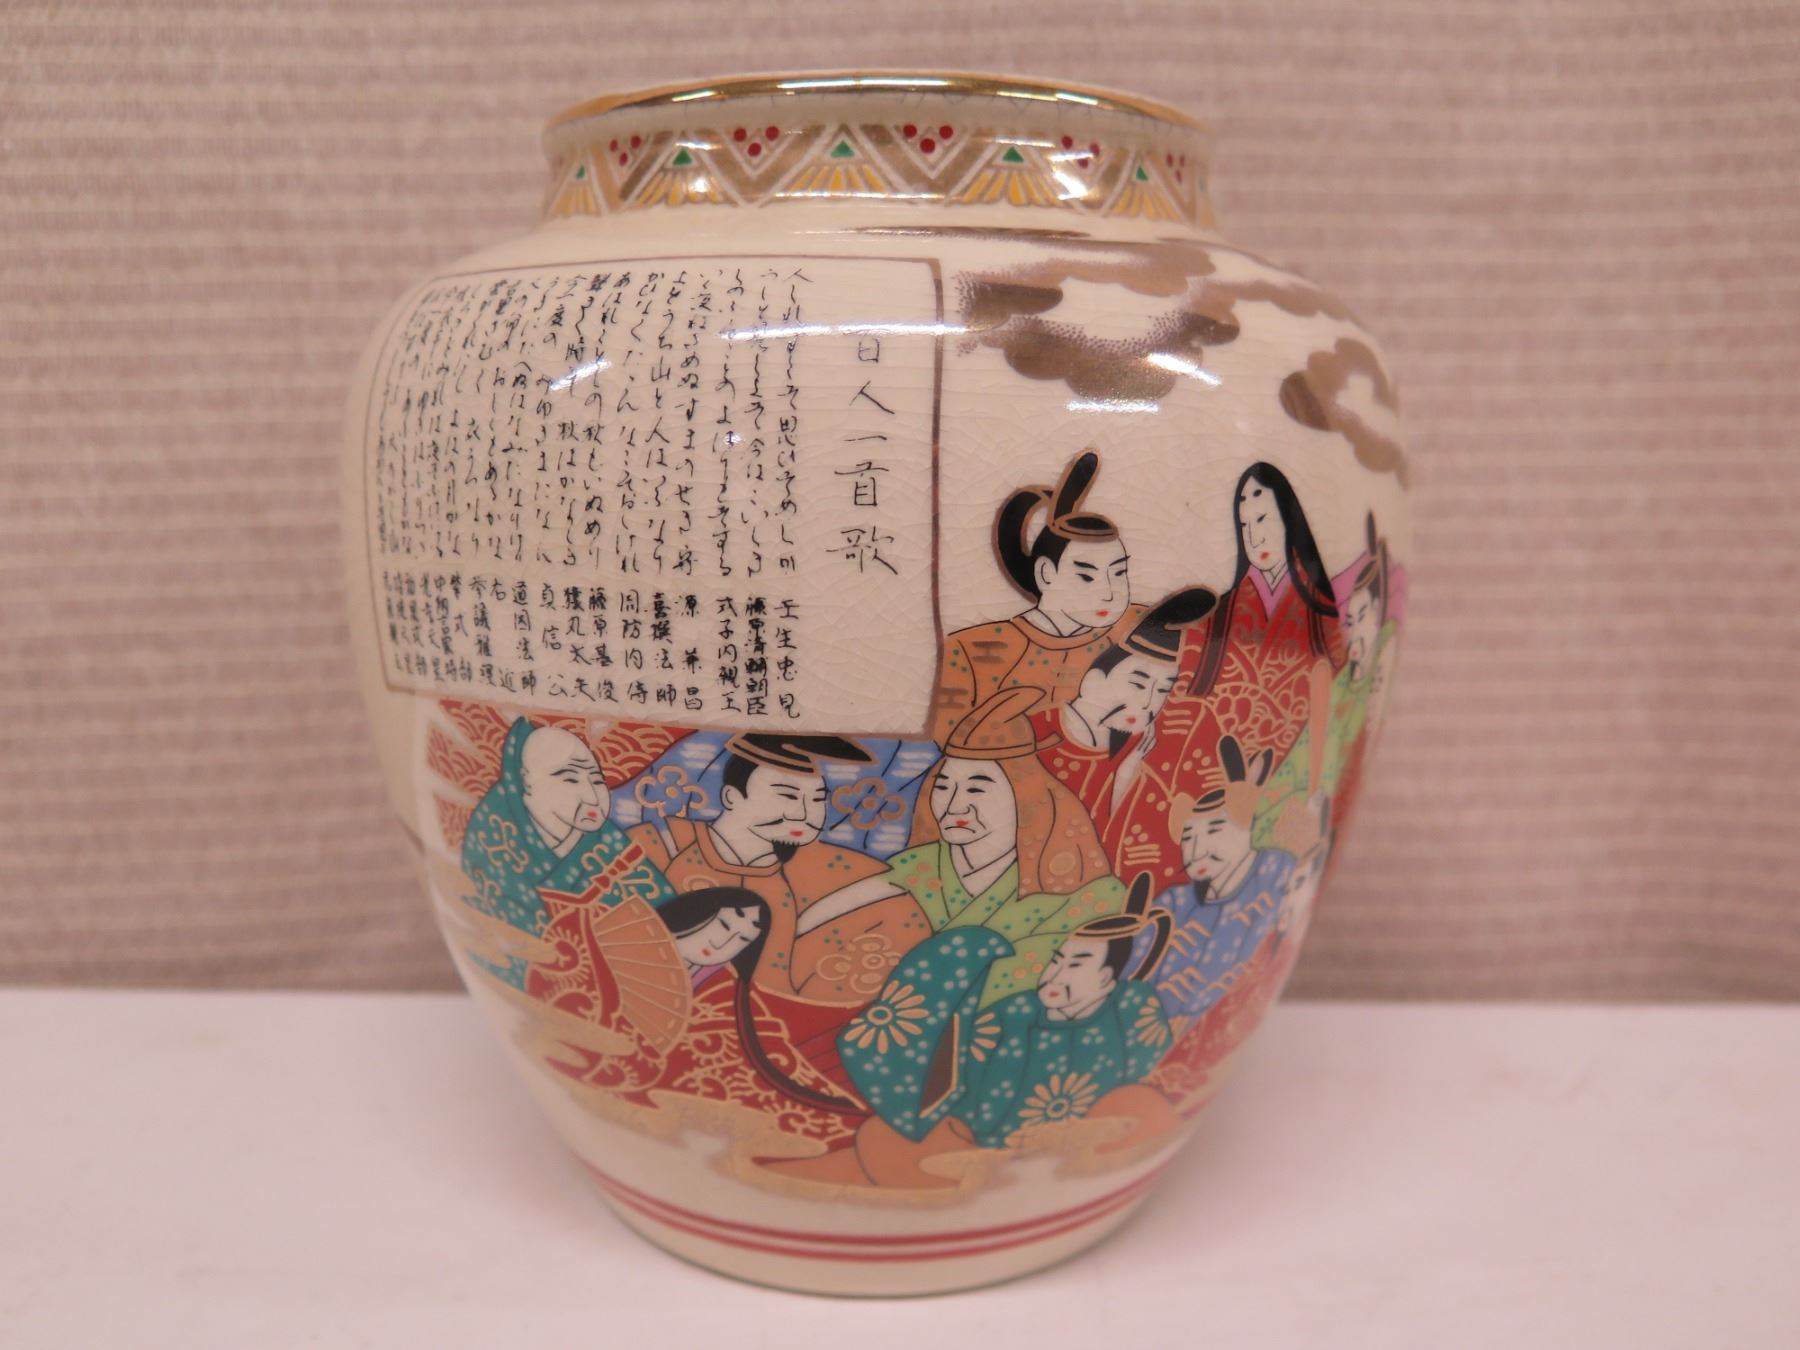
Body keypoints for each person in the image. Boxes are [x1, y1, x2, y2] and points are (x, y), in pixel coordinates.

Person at [762, 909, 1177, 1189]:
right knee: (886, 1141)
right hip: (983, 1142)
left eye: (1075, 964)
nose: (1055, 974)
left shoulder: (1130, 1009)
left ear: (1107, 979)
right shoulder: (1013, 1015)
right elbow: (957, 1076)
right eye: (1056, 960)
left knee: (1142, 1108)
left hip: (1071, 1145)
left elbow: (1144, 1068)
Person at [627, 733, 931, 1091]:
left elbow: (898, 918)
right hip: (657, 1021)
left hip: (764, 1038)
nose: (805, 814)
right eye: (787, 795)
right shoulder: (661, 848)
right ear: (731, 797)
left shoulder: (824, 870)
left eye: (817, 799)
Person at [797, 687, 1126, 1008]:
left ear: (1024, 795)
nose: (955, 806)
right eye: (943, 787)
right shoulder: (917, 866)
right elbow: (824, 916)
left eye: (977, 789)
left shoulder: (1084, 892)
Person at [1107, 462, 1345, 891]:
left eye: (1264, 520)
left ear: (1291, 521)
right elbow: (1186, 684)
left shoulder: (1322, 620)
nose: (1255, 538)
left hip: (1273, 762)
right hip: (1202, 750)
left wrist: (1312, 788)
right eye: (1245, 526)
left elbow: (1332, 703)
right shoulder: (1222, 610)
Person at [929, 450, 1145, 740]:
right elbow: (948, 740)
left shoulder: (1138, 633)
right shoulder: (970, 649)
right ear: (1046, 573)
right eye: (1086, 576)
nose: (1109, 594)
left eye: (1119, 573)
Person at [459, 719, 677, 987]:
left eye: (597, 779)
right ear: (526, 782)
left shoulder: (609, 846)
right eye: (571, 778)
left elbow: (669, 923)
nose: (593, 797)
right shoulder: (495, 837)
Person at [1129, 736, 1297, 1038]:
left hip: (1223, 1021)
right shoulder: (1175, 903)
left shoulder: (1280, 873)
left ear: (1246, 825)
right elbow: (1131, 964)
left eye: (1215, 830)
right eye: (1188, 838)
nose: (1197, 851)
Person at [1255, 513, 1400, 857]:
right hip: (1303, 785)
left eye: (1362, 617)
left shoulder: (1382, 646)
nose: (1355, 629)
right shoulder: (1337, 681)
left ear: (1378, 612)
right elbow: (1316, 741)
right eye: (1350, 619)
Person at [1029, 586, 1217, 837]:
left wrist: (1127, 771)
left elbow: (1117, 837)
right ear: (1093, 679)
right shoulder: (1033, 731)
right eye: (1137, 683)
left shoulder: (1135, 751)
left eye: (1162, 691)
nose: (1147, 704)